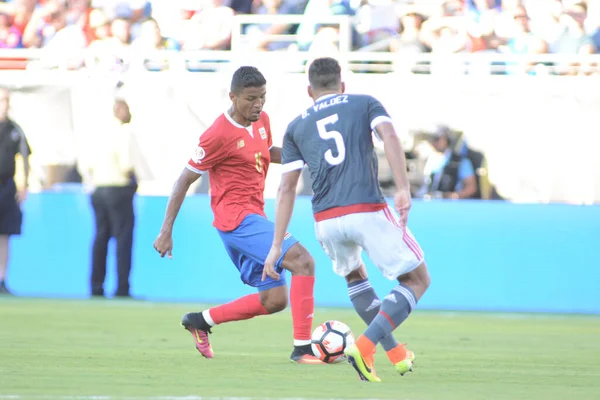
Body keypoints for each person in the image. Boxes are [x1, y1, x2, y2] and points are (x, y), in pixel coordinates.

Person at [264, 57, 431, 382]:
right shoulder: (363, 102)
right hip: (365, 207)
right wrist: (402, 187)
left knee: (356, 278)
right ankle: (365, 345)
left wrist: (275, 245)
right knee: (417, 280)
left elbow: (286, 187)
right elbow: (390, 136)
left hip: (325, 218)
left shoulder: (297, 125)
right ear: (342, 85)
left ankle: (396, 355)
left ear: (309, 90)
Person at [153, 66, 322, 364]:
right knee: (304, 261)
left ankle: (200, 320)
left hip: (255, 215)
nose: (258, 104)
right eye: (251, 98)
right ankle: (303, 349)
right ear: (233, 97)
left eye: (263, 97)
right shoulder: (216, 135)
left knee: (275, 300)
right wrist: (166, 230)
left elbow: (265, 151)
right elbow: (183, 180)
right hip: (237, 220)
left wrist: (308, 157)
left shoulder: (262, 120)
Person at [87, 99, 137, 298]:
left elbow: (87, 164)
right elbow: (126, 164)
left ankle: (96, 286)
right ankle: (122, 287)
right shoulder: (123, 132)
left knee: (101, 238)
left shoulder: (98, 133)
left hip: (99, 189)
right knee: (123, 240)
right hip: (118, 188)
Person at [0, 87, 30, 295]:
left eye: (7, 99)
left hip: (6, 186)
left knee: (4, 236)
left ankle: (1, 279)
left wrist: (24, 185)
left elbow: (25, 157)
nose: (5, 103)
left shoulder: (14, 129)